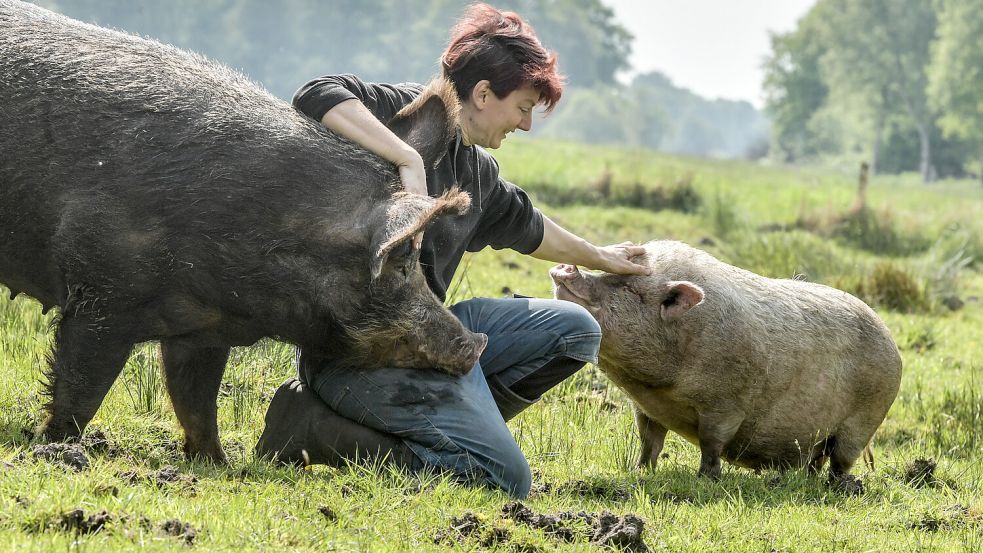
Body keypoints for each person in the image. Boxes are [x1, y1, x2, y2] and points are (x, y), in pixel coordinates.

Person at [255, 3, 648, 499]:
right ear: (483, 93)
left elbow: (530, 226)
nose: (525, 124)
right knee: (508, 480)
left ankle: (450, 424)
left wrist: (602, 257)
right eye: (524, 107)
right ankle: (315, 428)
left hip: (431, 339)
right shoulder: (402, 113)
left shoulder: (477, 172)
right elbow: (315, 93)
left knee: (576, 331)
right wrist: (406, 157)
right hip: (356, 355)